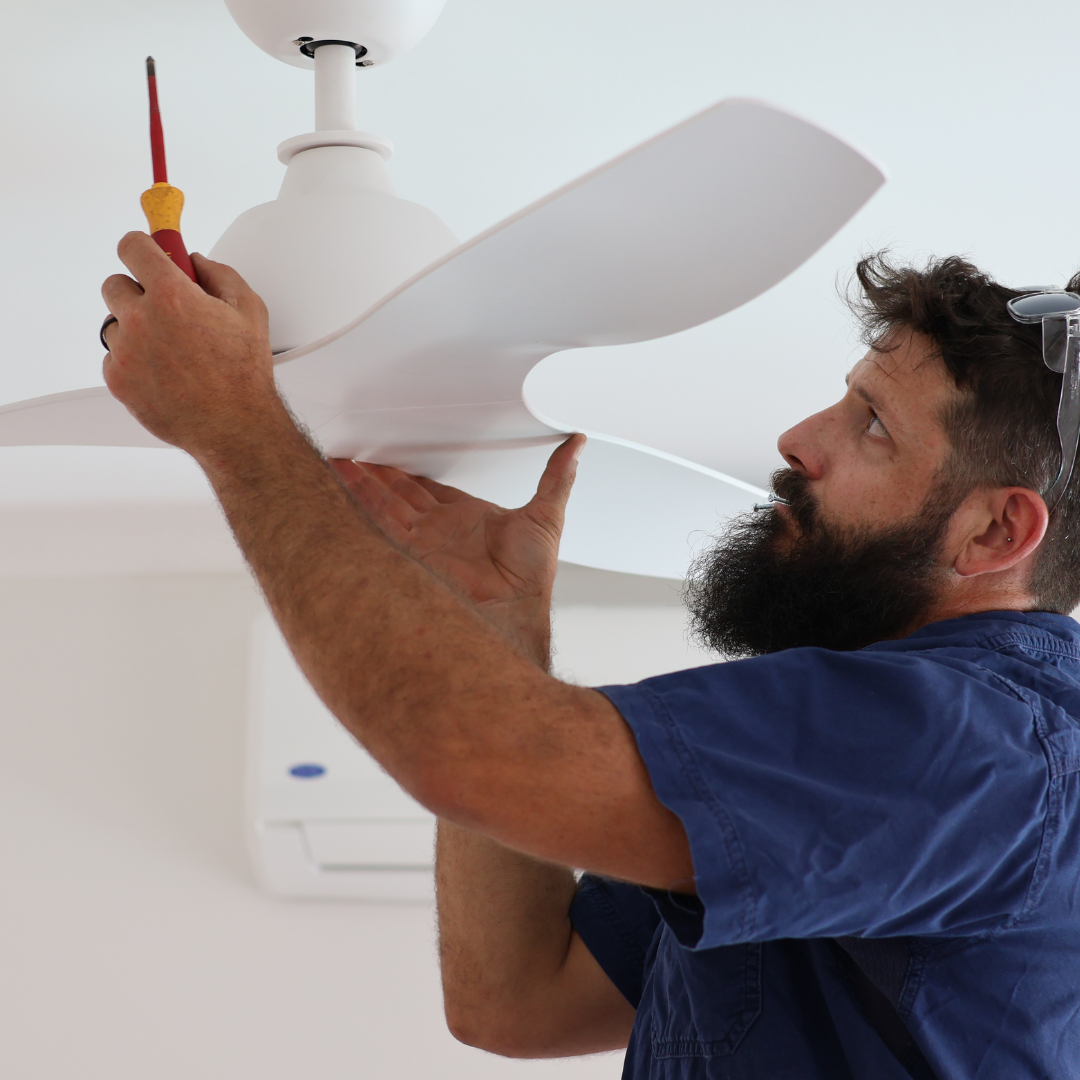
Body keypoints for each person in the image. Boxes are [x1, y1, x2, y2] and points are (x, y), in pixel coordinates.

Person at [100, 235, 1080, 1080]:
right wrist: (495, 623)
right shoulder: (888, 780)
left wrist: (235, 425)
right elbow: (517, 997)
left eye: (872, 424)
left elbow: (474, 755)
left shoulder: (969, 740)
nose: (797, 438)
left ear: (996, 531)